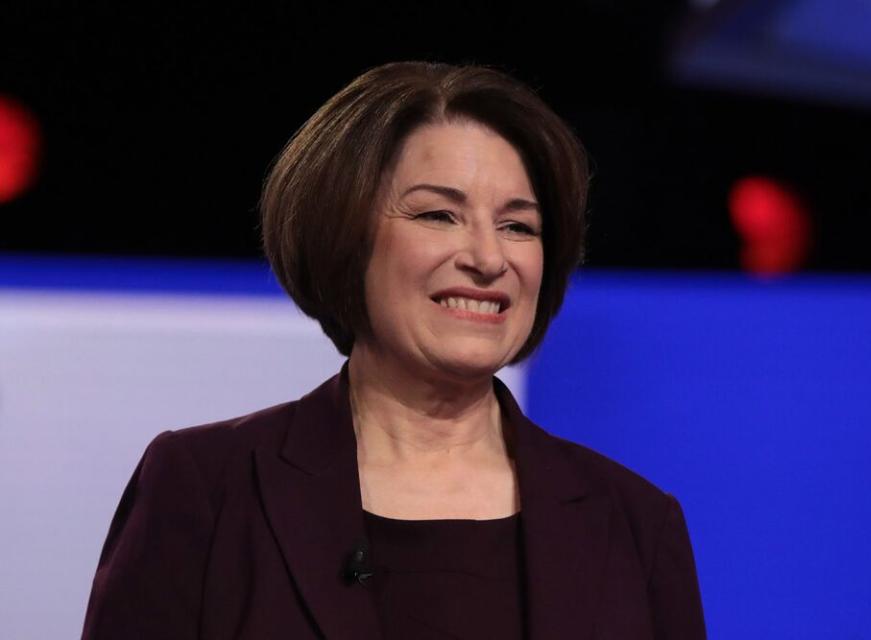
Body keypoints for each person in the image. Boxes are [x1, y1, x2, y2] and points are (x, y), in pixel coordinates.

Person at [81, 61, 706, 639]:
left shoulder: (634, 522)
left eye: (518, 226)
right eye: (439, 215)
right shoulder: (206, 490)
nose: (488, 259)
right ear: (344, 236)